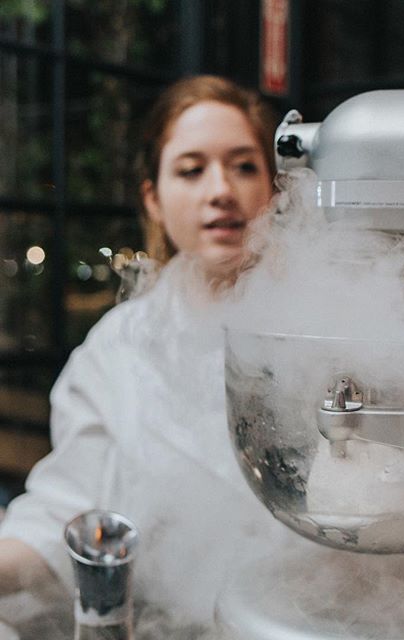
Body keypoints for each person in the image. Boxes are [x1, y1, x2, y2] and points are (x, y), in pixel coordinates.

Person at [0, 75, 293, 628]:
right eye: (191, 169)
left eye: (244, 165)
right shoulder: (118, 346)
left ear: (275, 190)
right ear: (153, 199)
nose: (221, 190)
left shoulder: (323, 329)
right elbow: (68, 515)